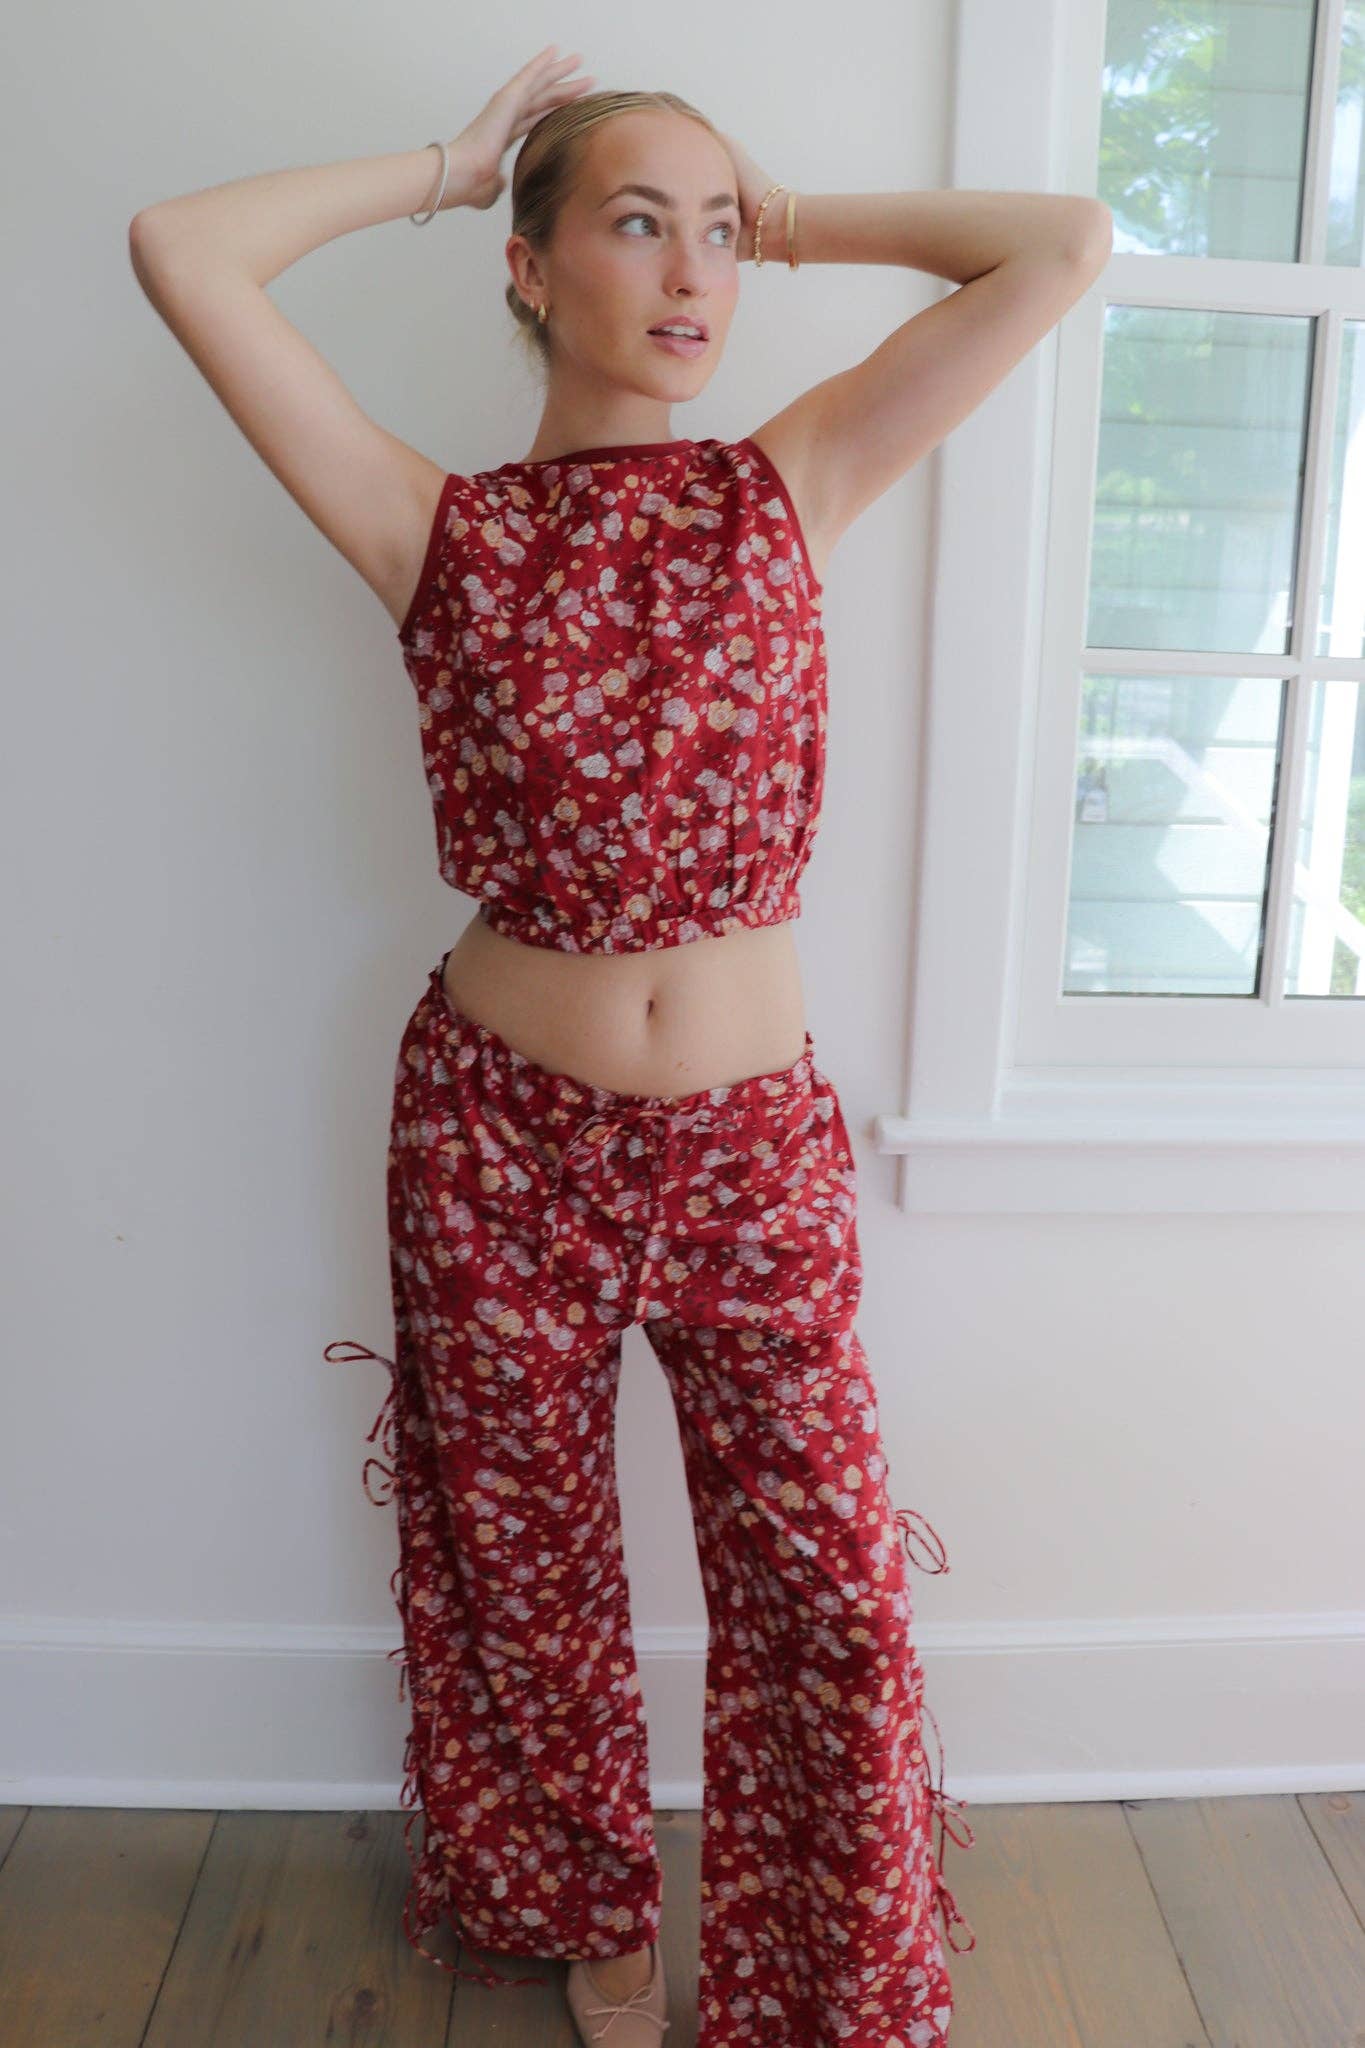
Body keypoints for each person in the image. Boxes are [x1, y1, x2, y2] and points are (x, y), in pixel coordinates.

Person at [130, 46, 1111, 2047]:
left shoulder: (790, 480)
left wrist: (794, 212)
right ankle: (583, 1907)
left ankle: (827, 1974)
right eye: (636, 223)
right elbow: (180, 249)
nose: (689, 272)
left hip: (750, 1148)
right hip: (495, 1143)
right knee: (525, 1572)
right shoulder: (433, 526)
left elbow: (1062, 243)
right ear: (530, 264)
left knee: (826, 1585)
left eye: (715, 233)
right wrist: (447, 161)